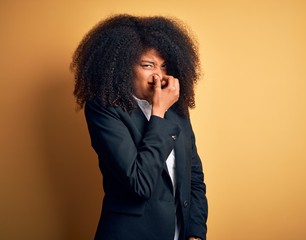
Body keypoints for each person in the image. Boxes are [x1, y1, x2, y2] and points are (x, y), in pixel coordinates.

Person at [70, 14, 208, 240]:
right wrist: (159, 113)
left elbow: (194, 178)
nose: (158, 76)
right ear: (122, 67)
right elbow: (139, 183)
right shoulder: (104, 110)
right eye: (147, 65)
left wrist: (195, 233)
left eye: (164, 66)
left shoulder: (177, 110)